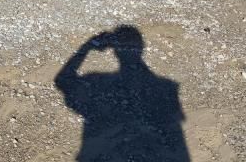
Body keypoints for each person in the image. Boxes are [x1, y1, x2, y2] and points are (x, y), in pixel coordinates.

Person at [55, 26, 190, 161]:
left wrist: (87, 47)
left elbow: (62, 80)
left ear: (114, 52)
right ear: (141, 47)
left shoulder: (98, 83)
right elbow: (175, 139)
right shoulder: (166, 88)